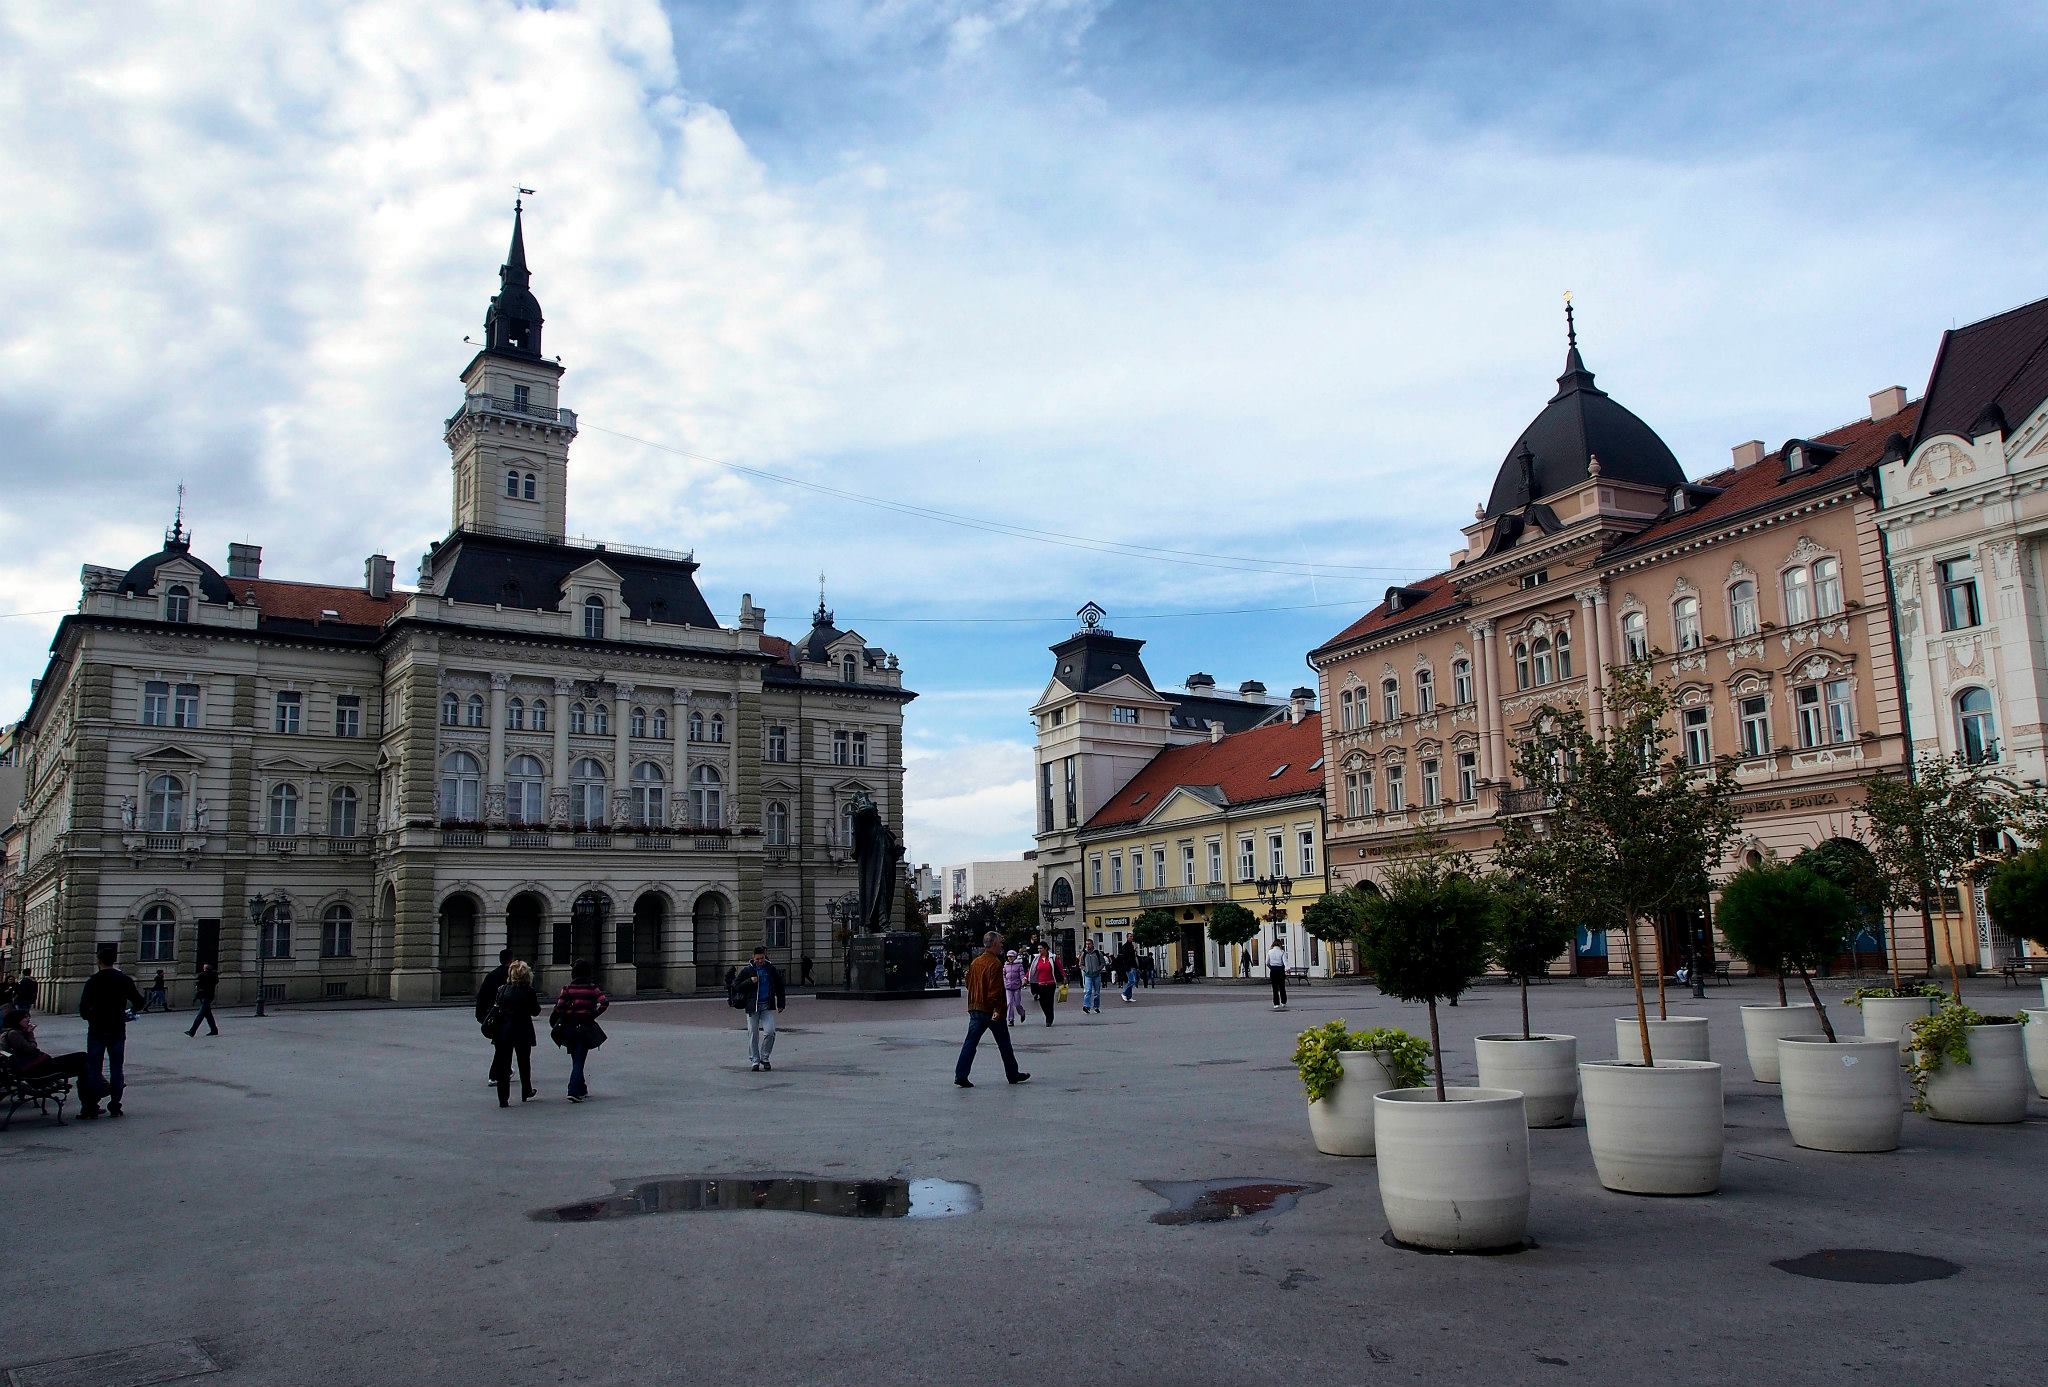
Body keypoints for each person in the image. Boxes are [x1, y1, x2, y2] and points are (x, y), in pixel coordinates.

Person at [77, 942, 145, 1118]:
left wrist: (92, 1016)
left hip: (97, 1029)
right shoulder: (124, 980)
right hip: (117, 1028)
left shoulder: (93, 981)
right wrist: (128, 1013)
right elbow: (139, 1002)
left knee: (94, 1068)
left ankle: (91, 1106)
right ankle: (115, 1105)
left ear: (98, 960)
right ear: (115, 961)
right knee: (116, 1068)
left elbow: (83, 1009)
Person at [954, 931, 1028, 1088]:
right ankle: (1012, 1074)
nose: (1002, 945)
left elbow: (969, 984)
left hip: (975, 1007)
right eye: (1000, 942)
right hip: (991, 1010)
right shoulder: (995, 963)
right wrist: (997, 1009)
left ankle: (961, 1075)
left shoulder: (976, 962)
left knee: (970, 1043)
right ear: (994, 944)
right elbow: (995, 991)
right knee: (1004, 1043)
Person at [2, 1006, 106, 1117]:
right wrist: (30, 1035)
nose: (28, 1020)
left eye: (28, 1018)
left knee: (84, 1061)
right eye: (25, 1018)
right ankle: (97, 1095)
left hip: (38, 1066)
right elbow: (31, 1050)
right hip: (37, 1070)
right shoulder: (14, 1034)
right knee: (83, 1062)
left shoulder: (15, 1033)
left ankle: (94, 1099)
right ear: (16, 1020)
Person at [552, 961, 610, 1102]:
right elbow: (604, 1002)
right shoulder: (592, 988)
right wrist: (593, 1014)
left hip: (570, 1027)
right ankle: (573, 1090)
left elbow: (559, 1007)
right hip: (585, 1026)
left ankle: (582, 1088)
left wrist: (568, 1013)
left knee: (576, 1058)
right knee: (579, 1059)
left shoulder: (567, 989)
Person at [488, 960, 541, 1107]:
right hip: (522, 1030)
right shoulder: (529, 991)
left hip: (503, 1031)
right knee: (524, 1062)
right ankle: (526, 1091)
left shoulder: (502, 990)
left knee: (503, 1064)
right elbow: (535, 1011)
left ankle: (503, 1098)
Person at [733, 947, 785, 1070]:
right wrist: (750, 981)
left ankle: (765, 1057)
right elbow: (736, 985)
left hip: (766, 1006)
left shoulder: (770, 969)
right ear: (753, 958)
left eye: (762, 958)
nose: (760, 961)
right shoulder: (748, 970)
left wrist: (781, 1003)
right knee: (753, 1034)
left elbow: (779, 986)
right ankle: (755, 1060)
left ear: (765, 956)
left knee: (770, 1032)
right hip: (752, 1007)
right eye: (757, 959)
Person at [474, 948, 512, 1085]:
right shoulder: (512, 976)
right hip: (506, 1017)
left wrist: (480, 1015)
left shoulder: (492, 975)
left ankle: (505, 1070)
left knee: (501, 1045)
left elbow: (481, 997)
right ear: (511, 959)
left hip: (493, 1015)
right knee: (503, 1047)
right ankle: (495, 1074)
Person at [1026, 942, 1065, 1026]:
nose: (1039, 950)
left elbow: (1060, 968)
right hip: (1040, 984)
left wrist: (1064, 977)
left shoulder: (1052, 957)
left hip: (1051, 983)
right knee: (1042, 1001)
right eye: (1038, 949)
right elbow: (1031, 969)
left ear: (1046, 948)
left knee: (1049, 1001)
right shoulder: (1036, 958)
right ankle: (1047, 1014)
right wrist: (1026, 977)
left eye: (1041, 948)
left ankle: (1049, 1019)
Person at [185, 963, 220, 1037]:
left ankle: (192, 1031)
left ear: (206, 969)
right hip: (210, 995)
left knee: (200, 1015)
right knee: (208, 1015)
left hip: (205, 996)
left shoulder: (203, 975)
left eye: (204, 967)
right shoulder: (214, 976)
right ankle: (214, 1030)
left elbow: (199, 982)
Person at [1079, 940, 1105, 1015]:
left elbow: (1103, 962)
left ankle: (1096, 1007)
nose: (1087, 946)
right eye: (1086, 944)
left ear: (1092, 944)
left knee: (1097, 992)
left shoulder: (1097, 953)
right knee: (1088, 991)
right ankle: (1086, 1006)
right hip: (1088, 975)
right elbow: (1080, 964)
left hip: (1096, 975)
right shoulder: (1084, 953)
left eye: (1089, 944)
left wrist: (1098, 969)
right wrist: (1085, 969)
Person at [1001, 949, 1027, 1025]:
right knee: (1009, 1003)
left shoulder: (1019, 965)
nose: (1010, 958)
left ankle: (1022, 1013)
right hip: (1008, 987)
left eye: (1011, 957)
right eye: (1008, 957)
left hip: (1016, 987)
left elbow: (1022, 974)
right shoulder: (1005, 965)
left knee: (1017, 1004)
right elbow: (1003, 975)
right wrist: (1004, 982)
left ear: (1015, 957)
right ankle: (1010, 1019)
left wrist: (1023, 981)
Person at [1266, 935, 1289, 1010]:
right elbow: (1285, 962)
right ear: (1280, 944)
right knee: (1282, 987)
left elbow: (1267, 962)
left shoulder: (1270, 952)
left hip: (1273, 970)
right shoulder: (1282, 952)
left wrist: (1271, 967)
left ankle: (1276, 1003)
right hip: (1280, 970)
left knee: (1274, 988)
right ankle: (1283, 1001)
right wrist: (1287, 969)